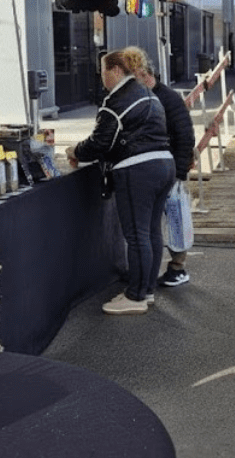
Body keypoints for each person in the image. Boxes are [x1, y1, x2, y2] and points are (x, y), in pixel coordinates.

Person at [67, 49, 174, 316]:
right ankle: (146, 289)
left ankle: (135, 296)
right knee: (151, 232)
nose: (100, 77)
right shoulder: (149, 94)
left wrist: (75, 151)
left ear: (115, 71)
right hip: (165, 164)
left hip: (136, 170)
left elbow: (100, 142)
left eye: (103, 70)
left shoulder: (116, 102)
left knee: (137, 236)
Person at [124, 48, 197, 287]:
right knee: (161, 223)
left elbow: (185, 135)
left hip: (169, 167)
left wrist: (179, 173)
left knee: (175, 218)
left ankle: (178, 266)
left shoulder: (166, 99)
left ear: (144, 74)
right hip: (164, 167)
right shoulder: (154, 98)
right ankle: (160, 268)